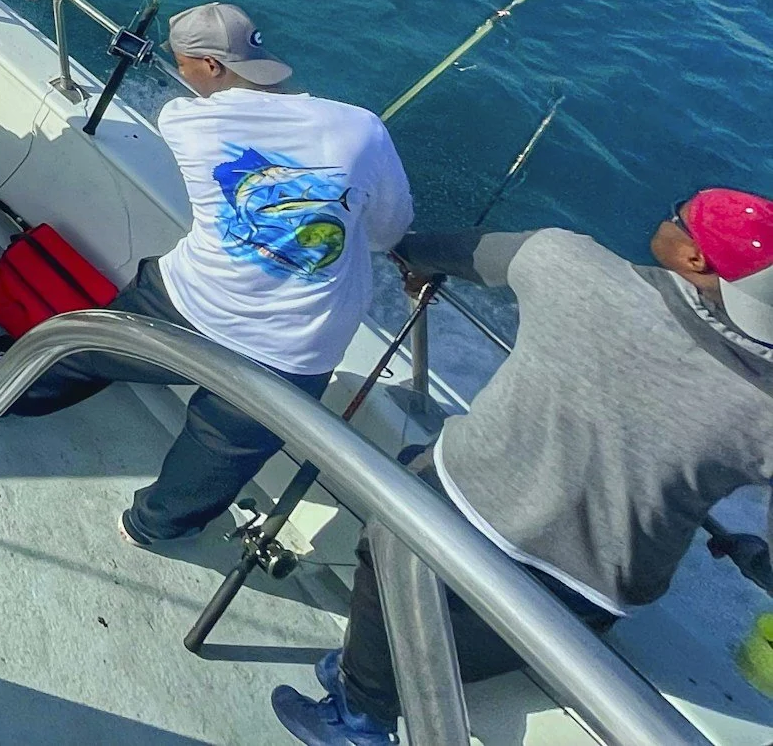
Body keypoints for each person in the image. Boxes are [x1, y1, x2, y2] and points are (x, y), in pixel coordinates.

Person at [270, 187, 773, 746]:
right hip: (591, 600)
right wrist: (758, 555)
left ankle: (359, 716)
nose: (666, 216)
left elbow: (456, 251)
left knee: (386, 547)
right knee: (476, 627)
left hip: (462, 515)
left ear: (694, 258)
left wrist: (413, 257)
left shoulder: (569, 262)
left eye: (676, 217)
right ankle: (369, 671)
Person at [1, 3, 413, 550]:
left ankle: (17, 392)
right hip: (299, 346)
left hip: (193, 305)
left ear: (212, 67)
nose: (182, 75)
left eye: (184, 63)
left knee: (89, 344)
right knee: (225, 447)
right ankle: (153, 526)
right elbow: (388, 230)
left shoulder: (185, 119)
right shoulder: (363, 127)